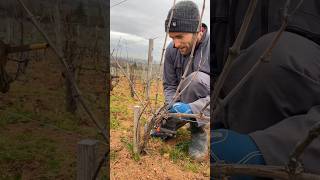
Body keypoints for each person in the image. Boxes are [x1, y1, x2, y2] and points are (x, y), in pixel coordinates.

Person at [211, 0, 320, 179]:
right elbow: (213, 79)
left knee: (276, 58)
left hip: (298, 156)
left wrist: (268, 149)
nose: (175, 45)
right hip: (231, 137)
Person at [151, 0, 210, 161]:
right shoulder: (171, 50)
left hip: (205, 104)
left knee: (195, 80)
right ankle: (169, 126)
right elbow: (169, 85)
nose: (175, 44)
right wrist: (171, 107)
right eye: (171, 38)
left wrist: (192, 108)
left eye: (179, 37)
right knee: (160, 119)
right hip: (180, 100)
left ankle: (198, 132)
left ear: (197, 31)